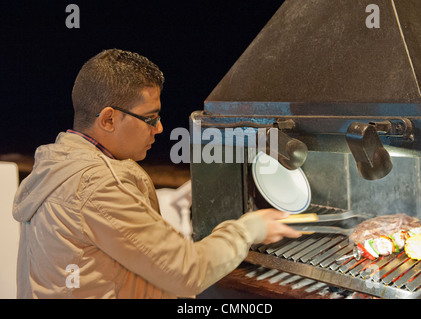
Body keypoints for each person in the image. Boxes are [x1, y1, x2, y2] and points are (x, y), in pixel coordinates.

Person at [12, 49, 301, 299]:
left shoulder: (59, 165)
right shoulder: (97, 186)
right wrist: (250, 229)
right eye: (150, 118)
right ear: (108, 119)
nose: (160, 128)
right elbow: (188, 271)